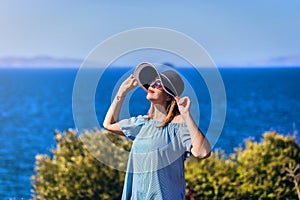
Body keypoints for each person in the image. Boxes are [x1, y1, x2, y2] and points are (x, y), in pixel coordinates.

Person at [103, 62, 211, 200]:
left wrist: (186, 115)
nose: (152, 85)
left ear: (168, 96)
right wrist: (121, 92)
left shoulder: (180, 128)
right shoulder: (143, 124)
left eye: (159, 84)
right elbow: (108, 124)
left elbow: (203, 152)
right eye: (152, 83)